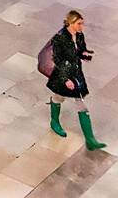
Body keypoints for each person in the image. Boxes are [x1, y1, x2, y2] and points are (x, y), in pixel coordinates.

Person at [45, 10, 105, 151]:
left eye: (82, 23)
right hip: (64, 74)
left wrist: (84, 54)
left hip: (76, 73)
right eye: (79, 23)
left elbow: (79, 50)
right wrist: (65, 79)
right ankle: (54, 121)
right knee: (60, 97)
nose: (81, 26)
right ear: (70, 23)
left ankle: (90, 140)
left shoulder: (79, 35)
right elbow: (57, 60)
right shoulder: (60, 39)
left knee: (76, 100)